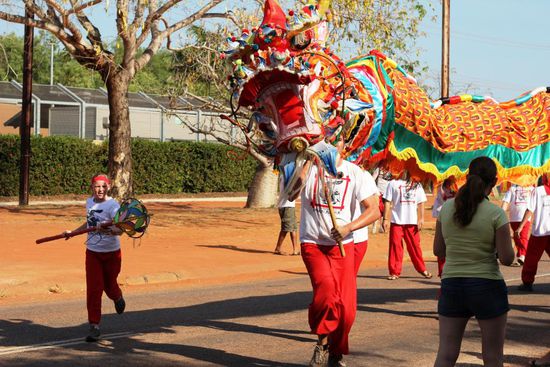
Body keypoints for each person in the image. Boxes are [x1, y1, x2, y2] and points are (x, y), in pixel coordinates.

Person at [291, 137, 380, 367]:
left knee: (347, 310)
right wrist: (308, 163)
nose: (329, 144)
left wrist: (348, 227)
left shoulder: (356, 173)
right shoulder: (308, 169)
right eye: (325, 139)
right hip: (313, 244)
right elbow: (290, 195)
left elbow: (374, 211)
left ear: (345, 144)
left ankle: (336, 351)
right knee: (327, 294)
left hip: (344, 245)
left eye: (335, 139)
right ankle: (322, 343)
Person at [433, 156, 515, 367]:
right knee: (492, 357)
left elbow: (438, 250)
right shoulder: (496, 213)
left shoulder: (447, 209)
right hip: (487, 285)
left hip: (452, 285)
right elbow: (507, 258)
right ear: (494, 182)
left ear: (467, 177)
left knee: (446, 355)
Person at [65, 174, 126, 342]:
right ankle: (94, 326)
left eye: (103, 187)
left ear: (108, 187)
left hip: (112, 253)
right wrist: (73, 233)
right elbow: (89, 223)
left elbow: (120, 230)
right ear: (92, 187)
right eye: (97, 186)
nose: (100, 190)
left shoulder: (113, 206)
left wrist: (107, 230)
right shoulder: (89, 202)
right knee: (94, 288)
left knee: (109, 284)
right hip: (92, 252)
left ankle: (117, 296)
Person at [382, 176, 432, 280]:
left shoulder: (417, 184)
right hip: (396, 221)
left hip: (411, 221)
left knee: (414, 247)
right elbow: (387, 201)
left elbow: (421, 202)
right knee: (395, 246)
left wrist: (421, 218)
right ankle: (394, 272)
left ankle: (422, 269)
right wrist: (385, 219)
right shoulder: (392, 183)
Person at [517, 173, 550, 292]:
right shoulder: (538, 191)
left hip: (540, 231)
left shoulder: (537, 191)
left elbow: (530, 209)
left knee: (531, 258)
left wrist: (520, 226)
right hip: (543, 231)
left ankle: (527, 283)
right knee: (531, 258)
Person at [351, 170, 380, 276]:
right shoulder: (325, 171)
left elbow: (375, 205)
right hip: (327, 240)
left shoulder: (363, 174)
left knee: (348, 278)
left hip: (356, 238)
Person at [501, 183, 534, 265]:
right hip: (513, 218)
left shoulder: (532, 189)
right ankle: (520, 255)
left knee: (523, 236)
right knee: (517, 238)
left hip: (525, 218)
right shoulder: (512, 188)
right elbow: (506, 201)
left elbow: (535, 203)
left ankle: (523, 255)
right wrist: (501, 212)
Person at [432, 177, 458, 277]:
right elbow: (441, 200)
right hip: (443, 218)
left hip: (454, 219)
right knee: (442, 244)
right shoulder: (440, 186)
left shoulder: (458, 185)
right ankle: (442, 271)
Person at [274, 173, 299, 255]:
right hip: (286, 205)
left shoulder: (287, 175)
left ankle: (295, 249)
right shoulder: (286, 176)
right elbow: (288, 190)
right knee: (286, 228)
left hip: (289, 205)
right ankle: (278, 248)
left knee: (293, 227)